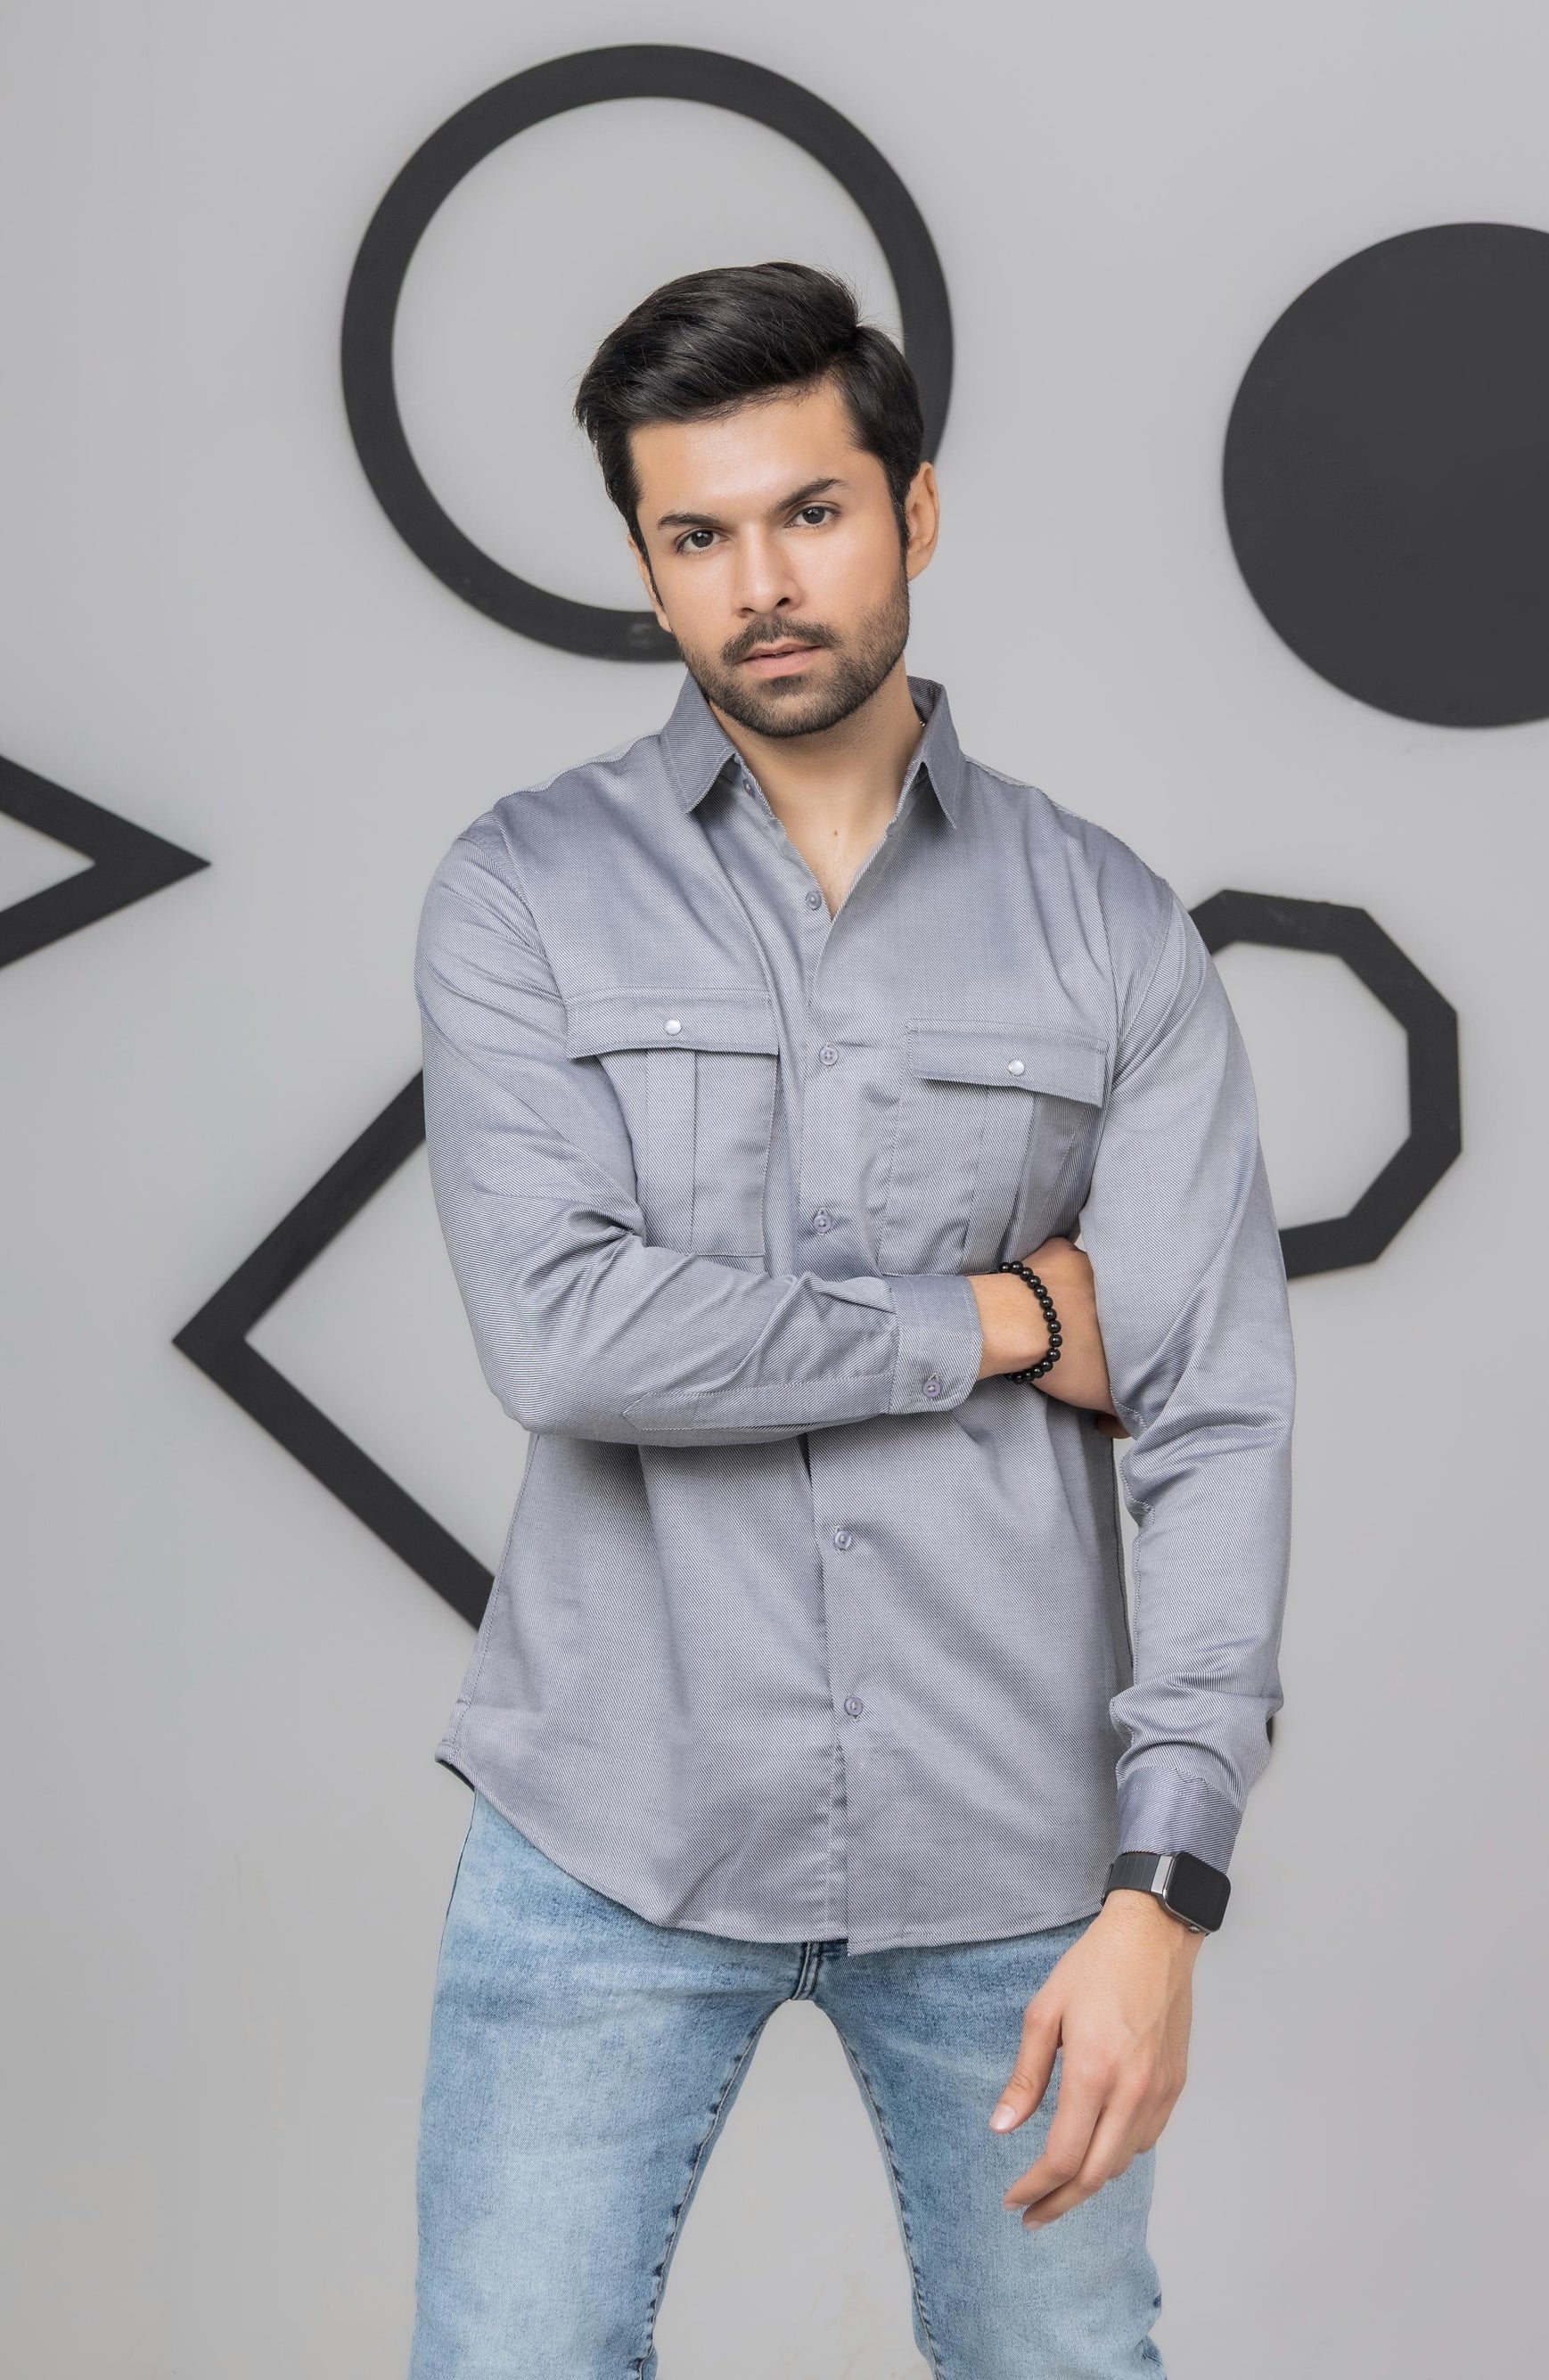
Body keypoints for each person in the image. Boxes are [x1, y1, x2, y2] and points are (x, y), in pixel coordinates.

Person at [406, 260, 1295, 2378]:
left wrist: (1164, 1886)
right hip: (605, 1828)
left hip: (1014, 1850)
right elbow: (567, 1338)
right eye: (694, 536)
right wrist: (1000, 1321)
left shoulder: (1105, 926)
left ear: (913, 509)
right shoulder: (520, 893)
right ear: (644, 564)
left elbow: (1212, 1415)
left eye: (808, 512)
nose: (759, 586)